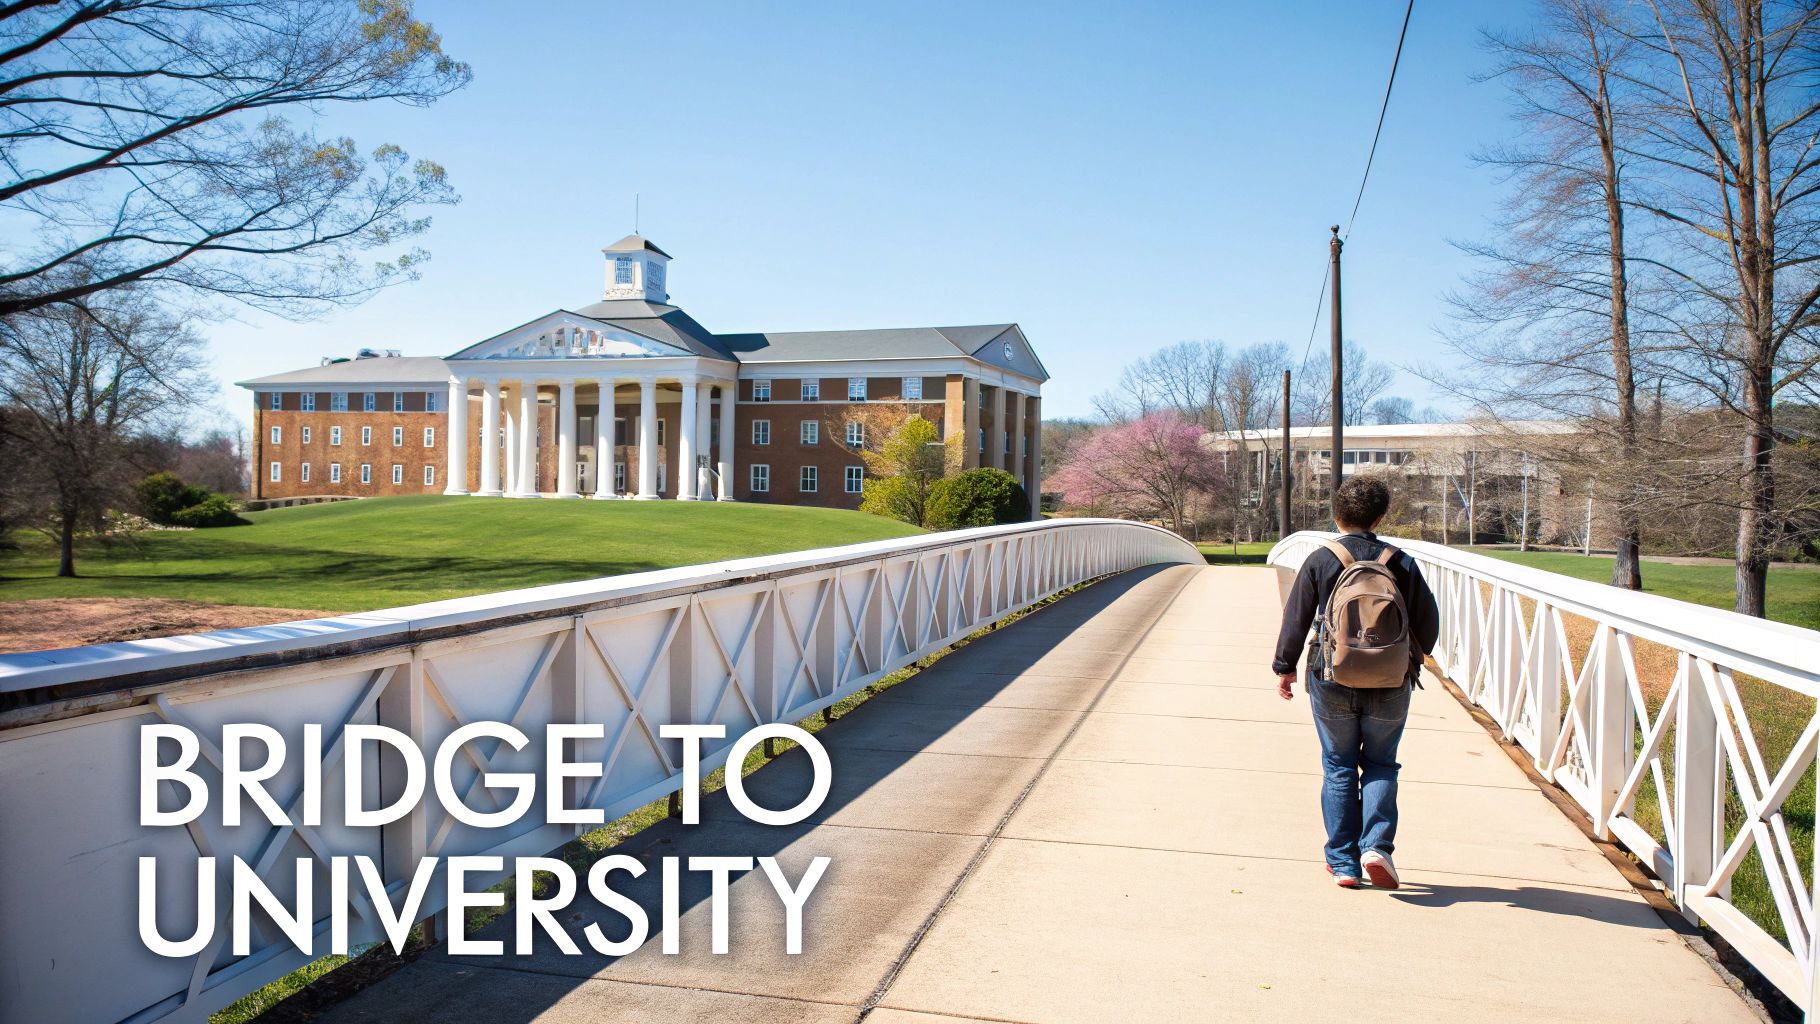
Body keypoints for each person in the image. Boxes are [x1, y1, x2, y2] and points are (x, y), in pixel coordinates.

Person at [1273, 475, 1438, 889]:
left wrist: (1285, 667)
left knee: (1338, 765)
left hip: (1331, 675)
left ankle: (1343, 861)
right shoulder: (1400, 561)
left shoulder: (1321, 559)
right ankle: (1376, 847)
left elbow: (1295, 618)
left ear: (1336, 515)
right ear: (1380, 517)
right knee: (1381, 763)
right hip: (1390, 678)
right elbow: (1429, 626)